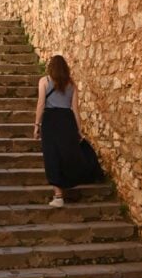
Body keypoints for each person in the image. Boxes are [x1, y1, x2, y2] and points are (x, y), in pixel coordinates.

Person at [33, 54, 103, 206]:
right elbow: (76, 110)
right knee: (66, 154)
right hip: (67, 120)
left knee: (52, 156)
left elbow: (41, 104)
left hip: (50, 121)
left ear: (50, 67)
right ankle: (66, 187)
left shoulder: (44, 81)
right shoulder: (71, 84)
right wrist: (79, 130)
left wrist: (37, 125)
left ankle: (58, 195)